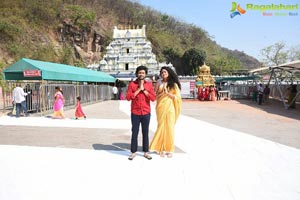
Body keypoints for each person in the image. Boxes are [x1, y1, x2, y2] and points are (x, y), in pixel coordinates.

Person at [149, 66, 182, 158]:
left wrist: (168, 94)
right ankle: (161, 148)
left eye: (165, 72)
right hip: (160, 106)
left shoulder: (173, 84)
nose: (163, 74)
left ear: (169, 73)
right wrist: (161, 94)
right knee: (161, 126)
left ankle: (169, 149)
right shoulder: (159, 82)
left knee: (169, 127)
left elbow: (178, 97)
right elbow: (155, 95)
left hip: (170, 107)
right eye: (162, 72)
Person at [126, 65, 156, 160]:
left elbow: (153, 98)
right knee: (134, 132)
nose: (141, 74)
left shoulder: (149, 84)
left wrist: (144, 90)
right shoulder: (132, 84)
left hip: (146, 112)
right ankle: (133, 152)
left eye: (143, 73)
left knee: (145, 132)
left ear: (145, 74)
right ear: (137, 74)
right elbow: (128, 98)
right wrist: (139, 89)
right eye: (139, 73)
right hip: (135, 112)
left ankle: (146, 152)